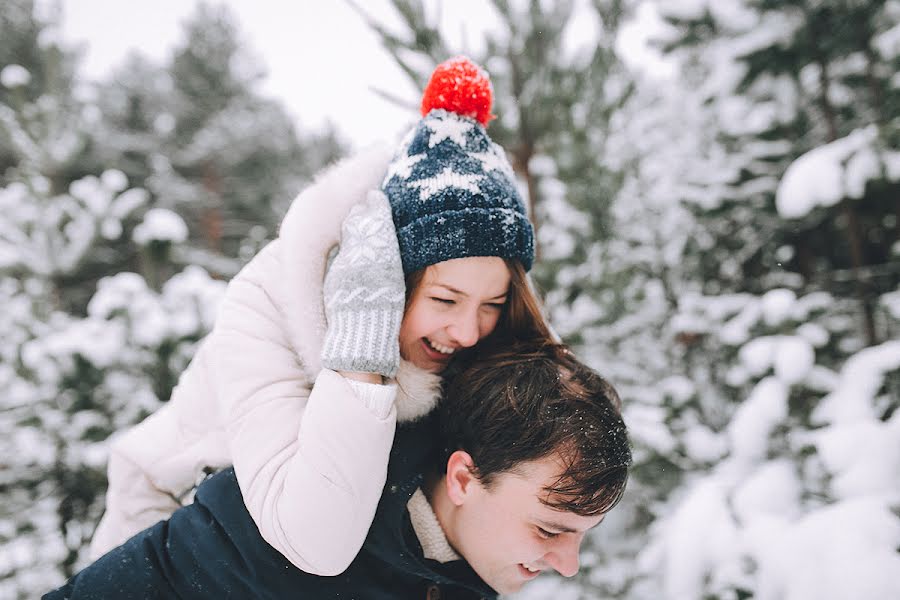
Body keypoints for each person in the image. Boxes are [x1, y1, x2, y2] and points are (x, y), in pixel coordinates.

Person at [88, 56, 553, 577]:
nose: (468, 332)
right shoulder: (268, 303)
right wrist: (360, 353)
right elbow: (317, 542)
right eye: (444, 301)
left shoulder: (467, 326)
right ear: (391, 279)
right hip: (165, 536)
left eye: (492, 305)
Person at [46, 341, 632, 599]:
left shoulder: (470, 563)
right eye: (551, 530)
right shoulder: (277, 529)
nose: (568, 567)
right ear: (462, 479)